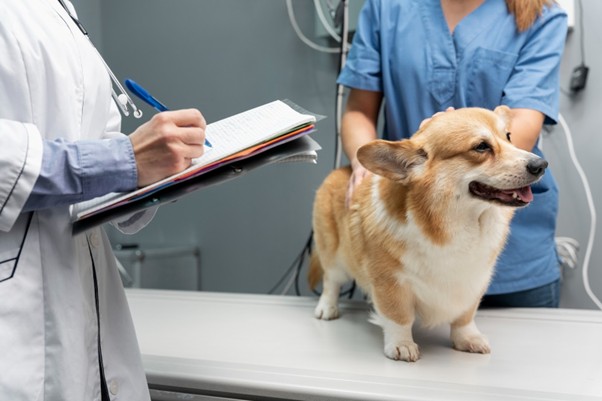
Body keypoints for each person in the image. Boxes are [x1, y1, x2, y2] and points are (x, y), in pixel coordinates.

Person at [0, 1, 206, 400]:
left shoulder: (60, 9)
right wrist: (124, 159)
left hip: (91, 316)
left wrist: (163, 174)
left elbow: (96, 146)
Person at [337, 0, 567, 307]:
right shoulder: (386, 7)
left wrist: (448, 133)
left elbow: (522, 123)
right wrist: (364, 165)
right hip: (411, 246)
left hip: (510, 250)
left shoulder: (542, 15)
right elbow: (358, 111)